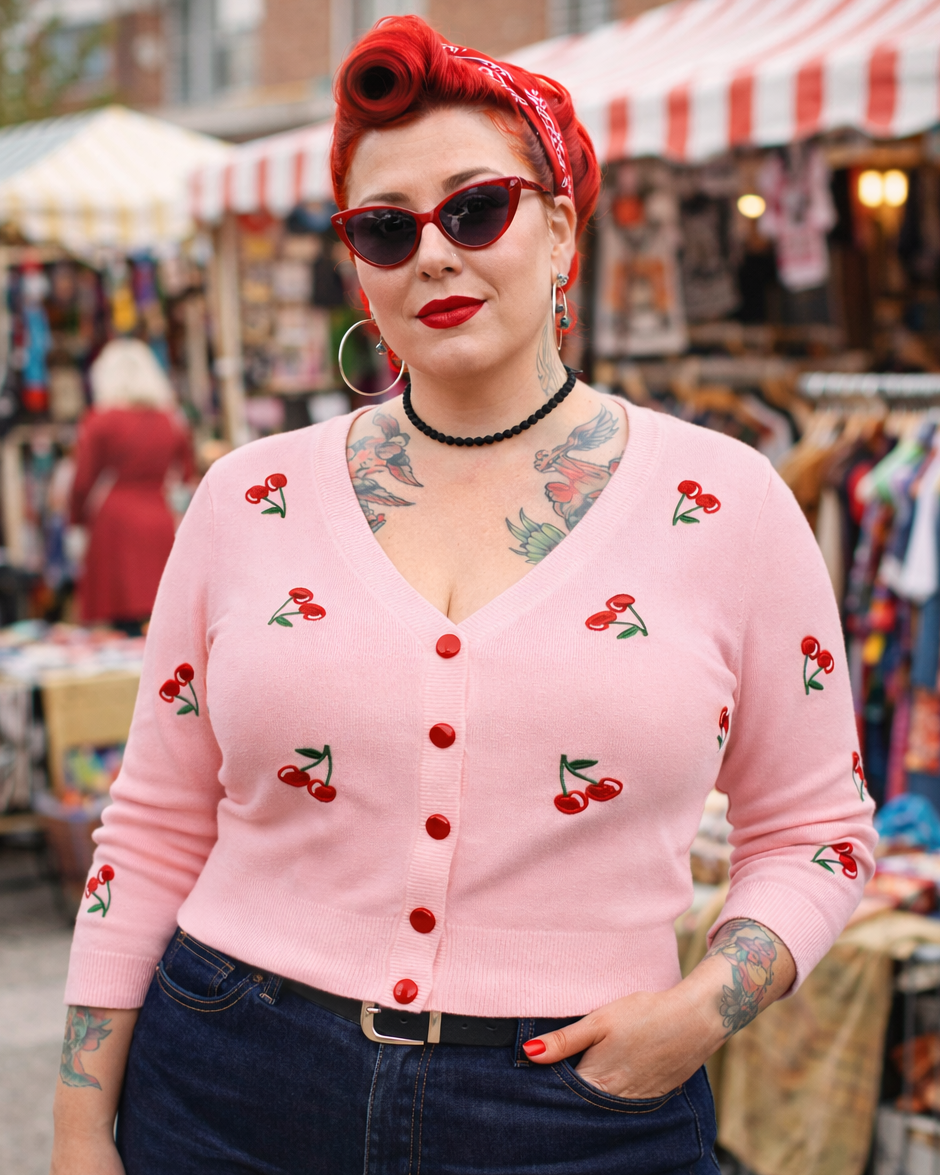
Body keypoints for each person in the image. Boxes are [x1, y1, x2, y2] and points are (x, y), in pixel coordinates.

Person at [51, 18, 875, 1175]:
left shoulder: (728, 502)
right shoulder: (247, 498)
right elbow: (151, 826)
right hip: (230, 1079)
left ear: (560, 229)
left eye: (475, 207)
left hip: (579, 1113)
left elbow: (817, 832)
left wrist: (698, 1011)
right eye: (385, 228)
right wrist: (82, 1125)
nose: (432, 253)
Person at [69, 338, 194, 632]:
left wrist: (75, 522)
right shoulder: (171, 421)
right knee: (160, 617)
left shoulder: (100, 421)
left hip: (114, 523)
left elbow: (82, 482)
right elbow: (186, 474)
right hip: (159, 518)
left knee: (119, 621)